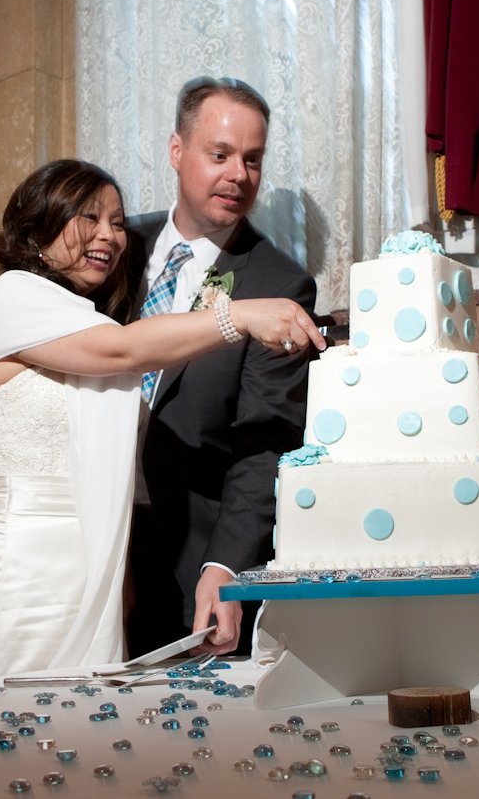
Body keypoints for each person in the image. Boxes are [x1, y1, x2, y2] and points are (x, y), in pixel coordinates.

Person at [0, 159, 323, 685]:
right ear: (38, 226)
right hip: (23, 560)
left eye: (117, 222)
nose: (109, 235)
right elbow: (122, 351)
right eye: (89, 216)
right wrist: (238, 315)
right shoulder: (13, 295)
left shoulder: (84, 315)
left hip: (92, 565)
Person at [123, 77, 317, 657]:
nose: (238, 175)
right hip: (86, 539)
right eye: (220, 155)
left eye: (252, 159)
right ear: (176, 150)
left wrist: (226, 564)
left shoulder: (279, 284)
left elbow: (266, 440)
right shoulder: (116, 248)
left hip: (186, 552)